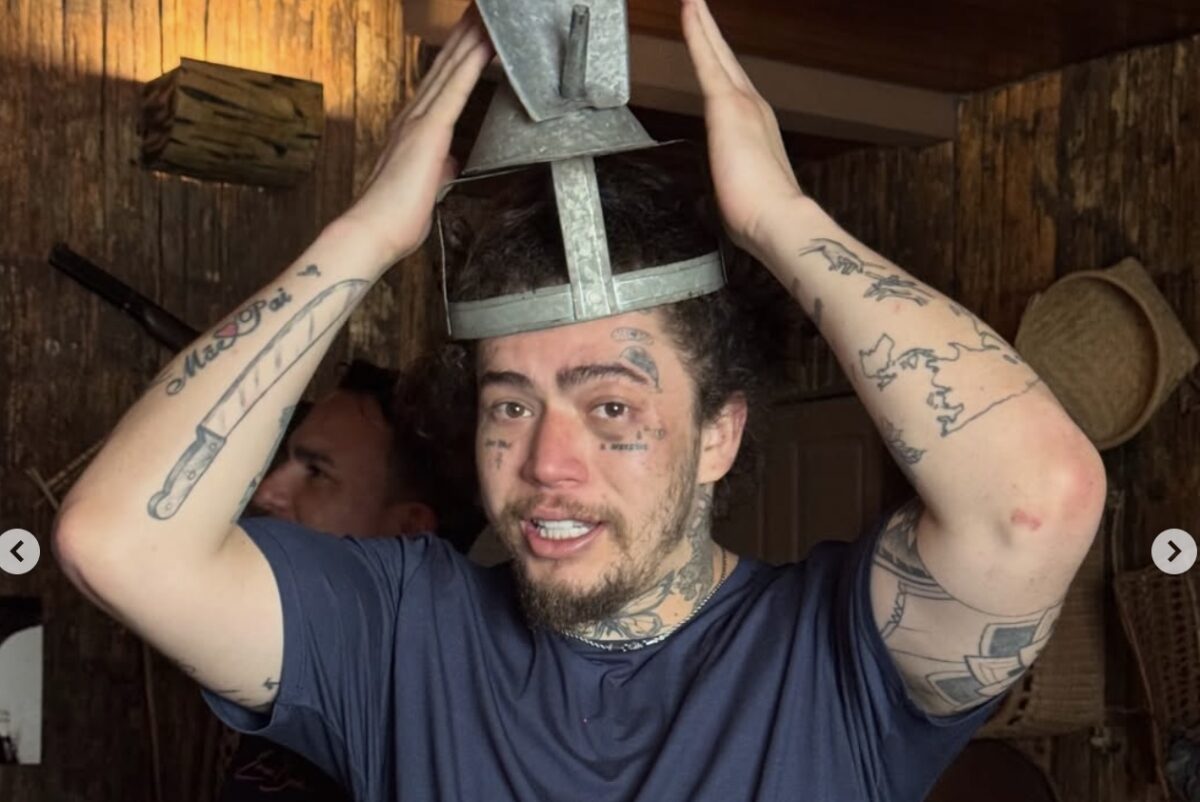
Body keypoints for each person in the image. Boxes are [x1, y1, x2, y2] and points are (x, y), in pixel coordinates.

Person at [53, 3, 1107, 800]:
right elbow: (119, 542)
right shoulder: (396, 636)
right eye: (511, 406)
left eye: (611, 409)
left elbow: (1035, 502)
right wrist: (363, 237)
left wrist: (783, 220)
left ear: (719, 434)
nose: (547, 464)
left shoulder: (837, 656)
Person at [217, 357, 481, 801]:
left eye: (317, 473)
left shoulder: (423, 714)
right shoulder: (299, 650)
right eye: (288, 461)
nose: (267, 493)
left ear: (409, 531)